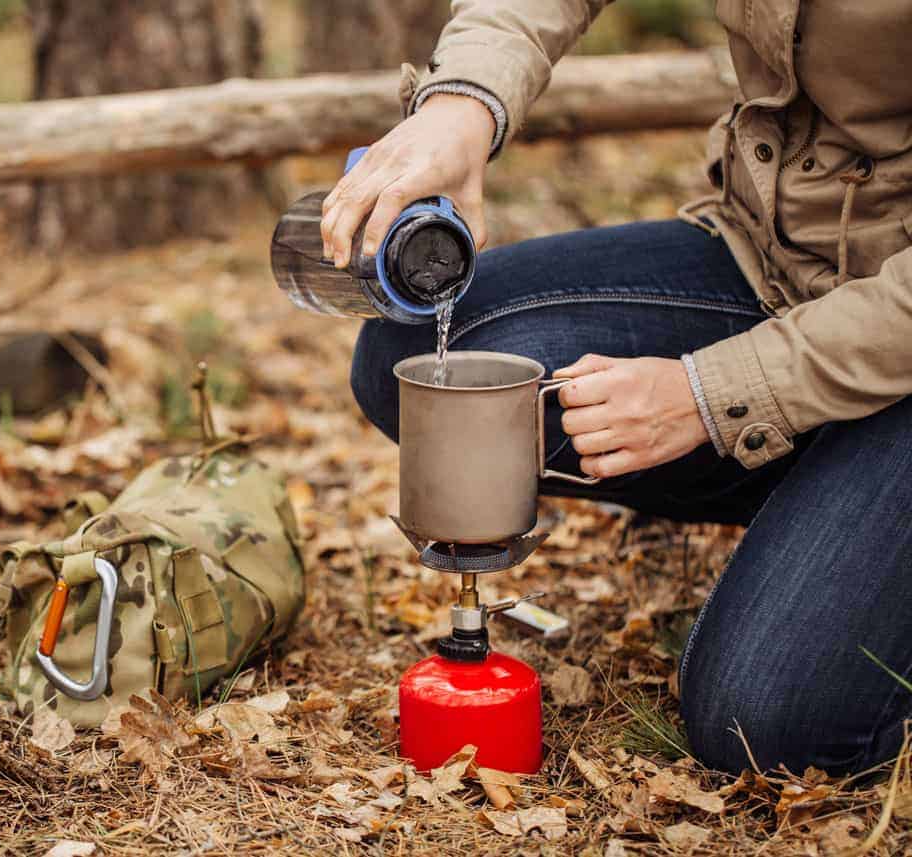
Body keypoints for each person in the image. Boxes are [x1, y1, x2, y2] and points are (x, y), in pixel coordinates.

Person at [331, 1, 912, 776]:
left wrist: (714, 392)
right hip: (774, 264)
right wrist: (463, 101)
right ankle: (830, 501)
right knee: (416, 359)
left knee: (760, 724)